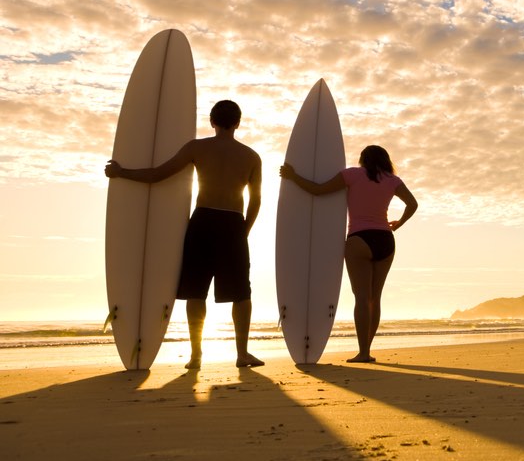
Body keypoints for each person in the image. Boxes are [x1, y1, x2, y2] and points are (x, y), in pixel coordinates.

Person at [105, 99, 264, 369]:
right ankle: (242, 354)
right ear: (237, 123)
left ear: (212, 121)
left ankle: (196, 355)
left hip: (202, 222)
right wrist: (244, 231)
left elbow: (158, 174)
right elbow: (256, 200)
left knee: (196, 290)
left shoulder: (197, 148)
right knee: (241, 294)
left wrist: (122, 173)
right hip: (233, 224)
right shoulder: (251, 156)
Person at [280, 145, 418, 363]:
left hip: (359, 239)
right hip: (385, 239)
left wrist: (293, 176)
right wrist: (398, 224)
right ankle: (367, 350)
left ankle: (363, 353)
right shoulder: (393, 180)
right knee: (375, 298)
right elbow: (413, 204)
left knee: (362, 298)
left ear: (363, 159)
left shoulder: (352, 174)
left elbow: (317, 190)